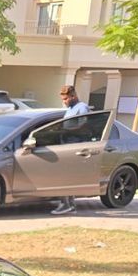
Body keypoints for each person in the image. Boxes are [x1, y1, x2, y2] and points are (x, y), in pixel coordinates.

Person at [50, 85, 93, 215]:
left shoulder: (82, 108)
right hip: (66, 146)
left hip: (75, 146)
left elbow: (84, 126)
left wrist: (66, 130)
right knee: (67, 176)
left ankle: (65, 204)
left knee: (64, 176)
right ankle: (70, 205)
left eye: (66, 99)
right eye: (63, 99)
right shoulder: (69, 109)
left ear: (73, 96)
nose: (64, 102)